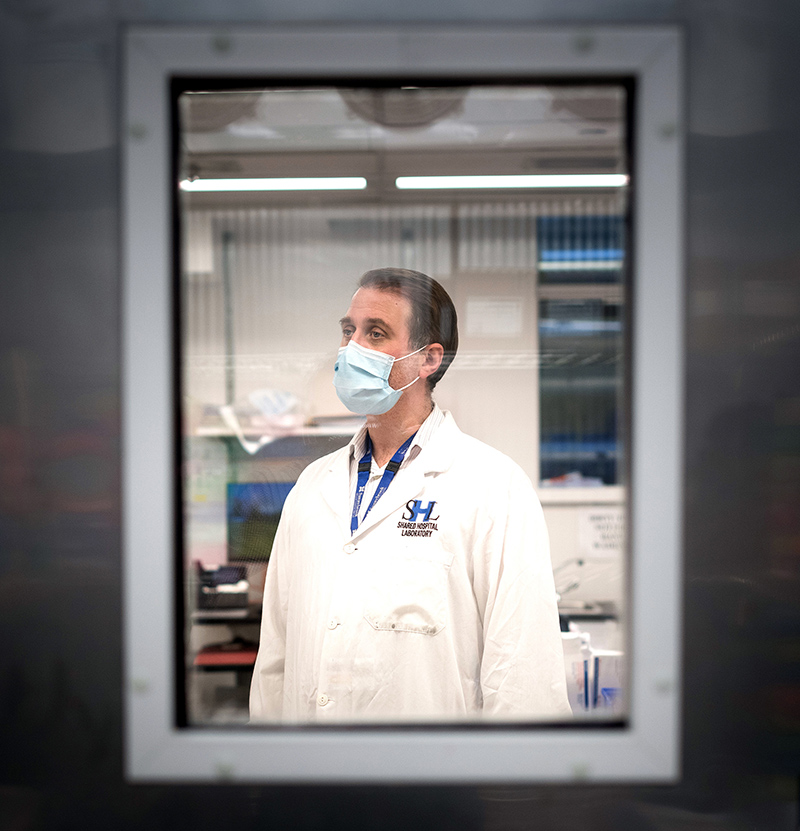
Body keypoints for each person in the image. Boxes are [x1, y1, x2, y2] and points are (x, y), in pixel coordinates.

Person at [249, 267, 571, 722]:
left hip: (436, 777)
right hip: (310, 773)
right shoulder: (312, 486)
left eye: (375, 333)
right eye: (348, 331)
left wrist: (509, 787)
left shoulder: (493, 485)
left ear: (428, 359)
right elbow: (276, 652)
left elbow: (523, 668)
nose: (351, 348)